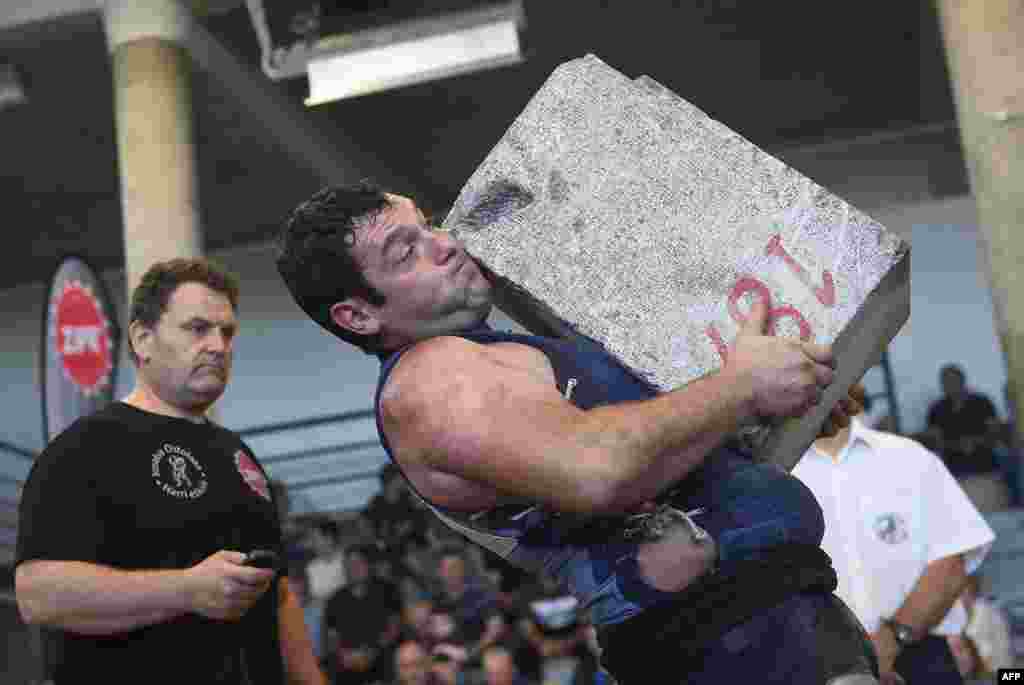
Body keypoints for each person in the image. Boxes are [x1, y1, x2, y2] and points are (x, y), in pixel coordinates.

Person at [276, 183, 876, 684]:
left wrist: (779, 401)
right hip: (725, 640)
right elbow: (597, 467)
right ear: (358, 315)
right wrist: (742, 388)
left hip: (773, 615)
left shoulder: (500, 353)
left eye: (429, 225)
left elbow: (669, 446)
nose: (447, 244)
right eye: (407, 252)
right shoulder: (427, 383)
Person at [15, 257, 325, 684]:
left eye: (227, 331)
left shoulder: (237, 453)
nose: (218, 345)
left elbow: (278, 593)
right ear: (143, 339)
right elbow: (38, 594)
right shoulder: (84, 449)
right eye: (197, 328)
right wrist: (186, 589)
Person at [793, 388, 996, 685]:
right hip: (815, 667)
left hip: (919, 657)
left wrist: (893, 638)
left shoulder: (909, 459)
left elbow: (950, 565)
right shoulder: (774, 475)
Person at [323, 543, 403, 685]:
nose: (354, 568)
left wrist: (373, 650)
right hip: (347, 664)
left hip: (382, 660)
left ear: (369, 565)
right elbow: (332, 638)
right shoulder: (335, 600)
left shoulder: (388, 591)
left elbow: (394, 627)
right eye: (349, 564)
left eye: (359, 562)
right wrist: (343, 655)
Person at [925, 365, 1005, 507]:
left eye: (953, 380)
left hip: (985, 468)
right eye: (946, 382)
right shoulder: (936, 409)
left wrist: (975, 442)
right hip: (954, 472)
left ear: (963, 380)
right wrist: (957, 445)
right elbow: (935, 443)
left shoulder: (982, 403)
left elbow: (996, 434)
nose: (950, 385)